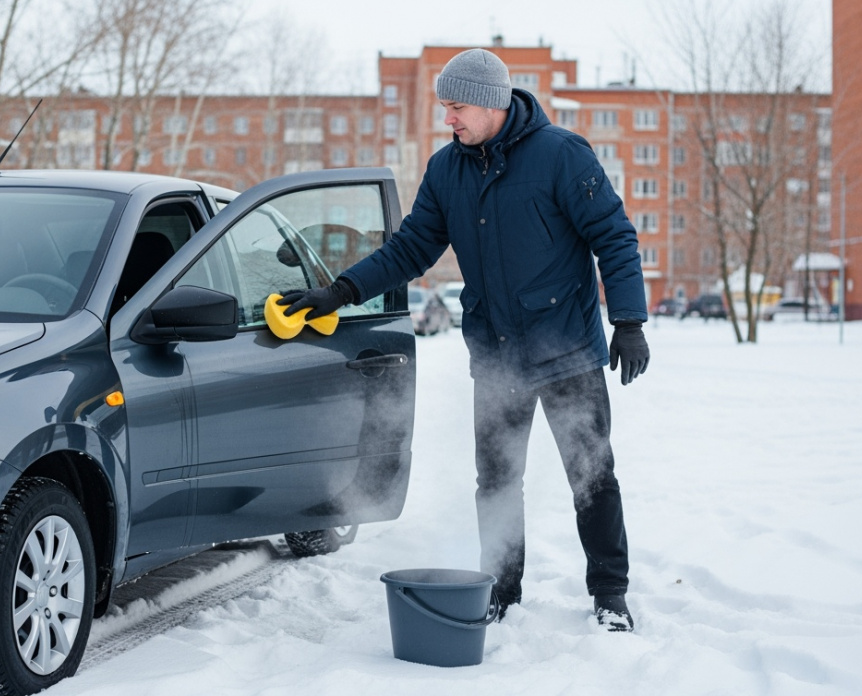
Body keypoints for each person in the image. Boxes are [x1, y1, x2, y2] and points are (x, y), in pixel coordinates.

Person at [278, 48, 649, 632]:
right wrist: (342, 290)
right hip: (497, 355)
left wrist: (628, 320)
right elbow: (411, 248)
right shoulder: (447, 169)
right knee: (497, 479)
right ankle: (501, 588)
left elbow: (615, 236)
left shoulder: (560, 155)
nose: (447, 119)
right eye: (444, 107)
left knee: (592, 474)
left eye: (455, 107)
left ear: (491, 103)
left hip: (567, 350)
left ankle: (610, 594)